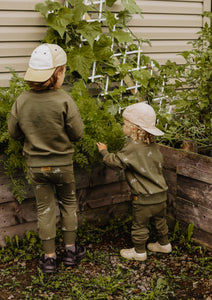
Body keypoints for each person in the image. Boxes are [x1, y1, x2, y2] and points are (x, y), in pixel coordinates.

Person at [8, 43, 86, 273]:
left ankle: (49, 257)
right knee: (69, 204)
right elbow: (78, 134)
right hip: (63, 166)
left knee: (45, 208)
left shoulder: (22, 101)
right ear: (57, 73)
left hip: (37, 167)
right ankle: (71, 252)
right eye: (63, 70)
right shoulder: (64, 100)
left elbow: (13, 133)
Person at [97, 102, 172, 261]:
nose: (122, 126)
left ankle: (139, 252)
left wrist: (103, 151)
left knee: (139, 225)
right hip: (161, 194)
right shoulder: (153, 145)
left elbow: (116, 161)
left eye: (124, 124)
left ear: (134, 128)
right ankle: (164, 244)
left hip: (143, 197)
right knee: (160, 221)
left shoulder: (133, 147)